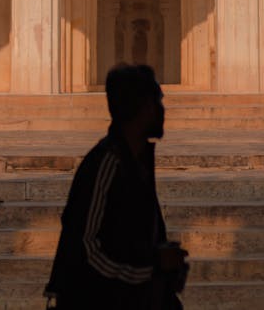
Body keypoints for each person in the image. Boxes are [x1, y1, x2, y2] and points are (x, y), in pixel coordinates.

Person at [45, 63, 188, 310]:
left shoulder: (135, 161)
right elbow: (86, 249)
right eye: (157, 103)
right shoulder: (107, 164)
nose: (162, 111)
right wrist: (153, 265)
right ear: (141, 108)